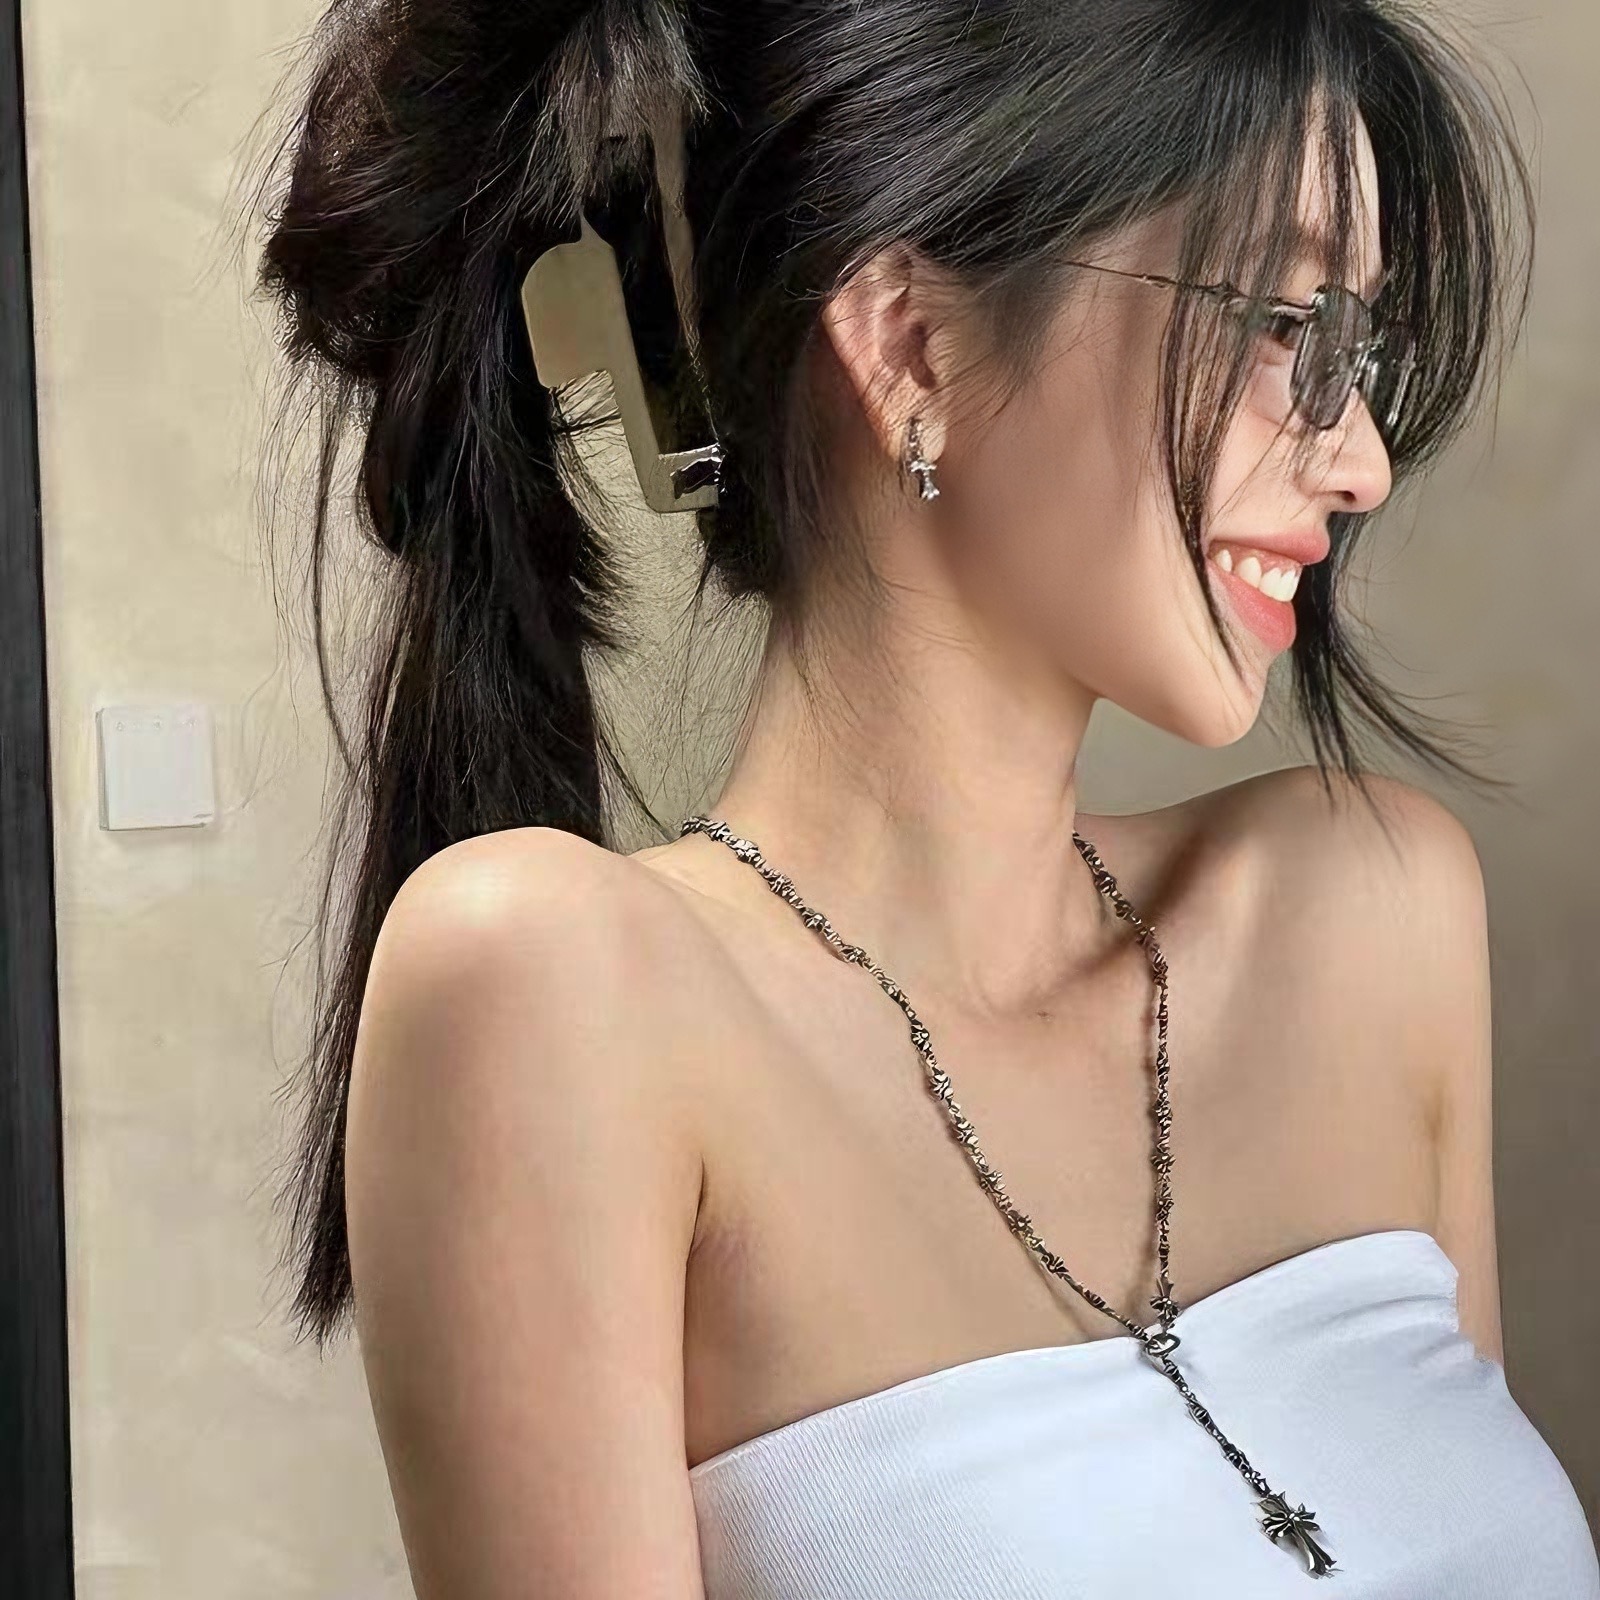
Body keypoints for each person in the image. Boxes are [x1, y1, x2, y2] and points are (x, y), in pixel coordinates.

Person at [253, 0, 1599, 1594]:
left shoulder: (1373, 910)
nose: (1361, 459)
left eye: (1354, 342)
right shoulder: (560, 988)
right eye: (1283, 322)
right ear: (909, 346)